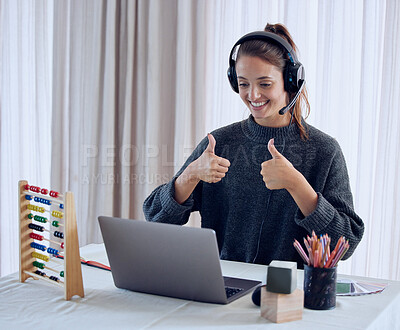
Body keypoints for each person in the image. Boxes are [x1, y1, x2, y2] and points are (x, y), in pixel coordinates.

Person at [143, 23, 364, 267]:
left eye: (265, 84)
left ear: (291, 82)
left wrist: (297, 185)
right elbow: (155, 219)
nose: (253, 95)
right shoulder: (219, 143)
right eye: (243, 83)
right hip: (222, 293)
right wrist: (191, 174)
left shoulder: (324, 151)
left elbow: (347, 243)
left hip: (290, 297)